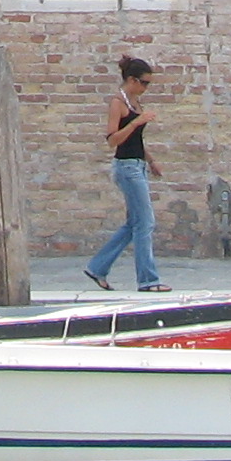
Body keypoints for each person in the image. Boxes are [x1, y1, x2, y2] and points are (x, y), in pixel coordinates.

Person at [85, 56, 169, 292]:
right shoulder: (117, 103)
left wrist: (151, 161)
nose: (145, 88)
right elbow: (113, 140)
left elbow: (137, 140)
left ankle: (97, 267)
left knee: (134, 223)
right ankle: (148, 280)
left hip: (138, 165)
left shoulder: (134, 102)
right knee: (145, 222)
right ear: (131, 80)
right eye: (144, 83)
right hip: (126, 168)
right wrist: (135, 122)